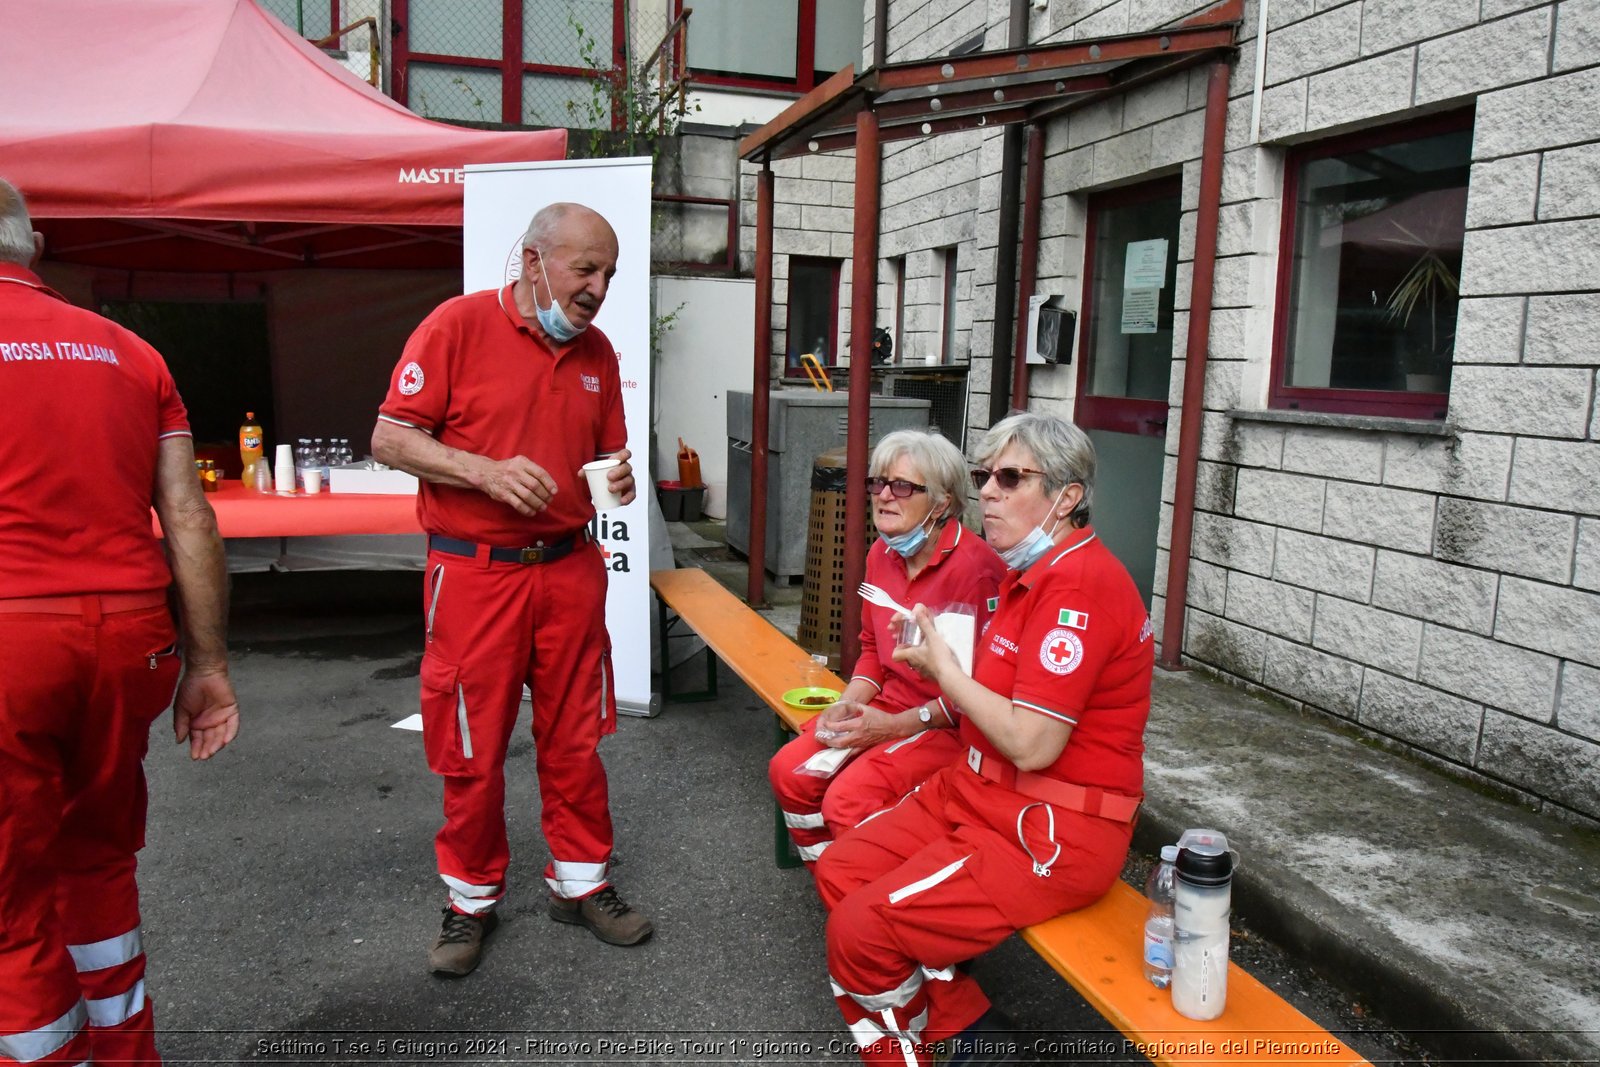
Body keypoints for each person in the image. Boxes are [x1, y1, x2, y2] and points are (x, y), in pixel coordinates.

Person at [815, 412, 1153, 1067]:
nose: (988, 492)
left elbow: (1031, 744)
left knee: (860, 930)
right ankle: (969, 1028)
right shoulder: (1025, 574)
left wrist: (941, 671)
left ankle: (928, 1046)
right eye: (983, 476)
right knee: (842, 868)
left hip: (1047, 827)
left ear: (1066, 496)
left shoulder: (1078, 585)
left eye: (1009, 476)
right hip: (979, 792)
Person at [372, 202, 650, 979]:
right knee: (472, 746)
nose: (598, 287)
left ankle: (581, 883)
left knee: (576, 738)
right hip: (474, 573)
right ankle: (469, 901)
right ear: (533, 261)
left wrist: (619, 478)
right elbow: (389, 436)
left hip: (568, 567)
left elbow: (610, 460)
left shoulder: (597, 351)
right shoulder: (455, 326)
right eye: (584, 269)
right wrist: (483, 470)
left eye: (609, 274)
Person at [0, 179, 240, 1065]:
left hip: (9, 642)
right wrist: (207, 663)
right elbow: (189, 518)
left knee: (9, 906)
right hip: (127, 639)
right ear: (30, 243)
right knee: (96, 860)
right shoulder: (131, 351)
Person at [768, 429, 1003, 870]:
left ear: (942, 502)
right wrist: (847, 704)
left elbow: (977, 692)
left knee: (849, 801)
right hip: (887, 703)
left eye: (902, 486)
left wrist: (893, 727)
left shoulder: (977, 572)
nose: (883, 496)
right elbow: (873, 650)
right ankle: (833, 876)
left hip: (947, 725)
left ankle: (873, 900)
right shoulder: (881, 553)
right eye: (878, 483)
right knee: (789, 772)